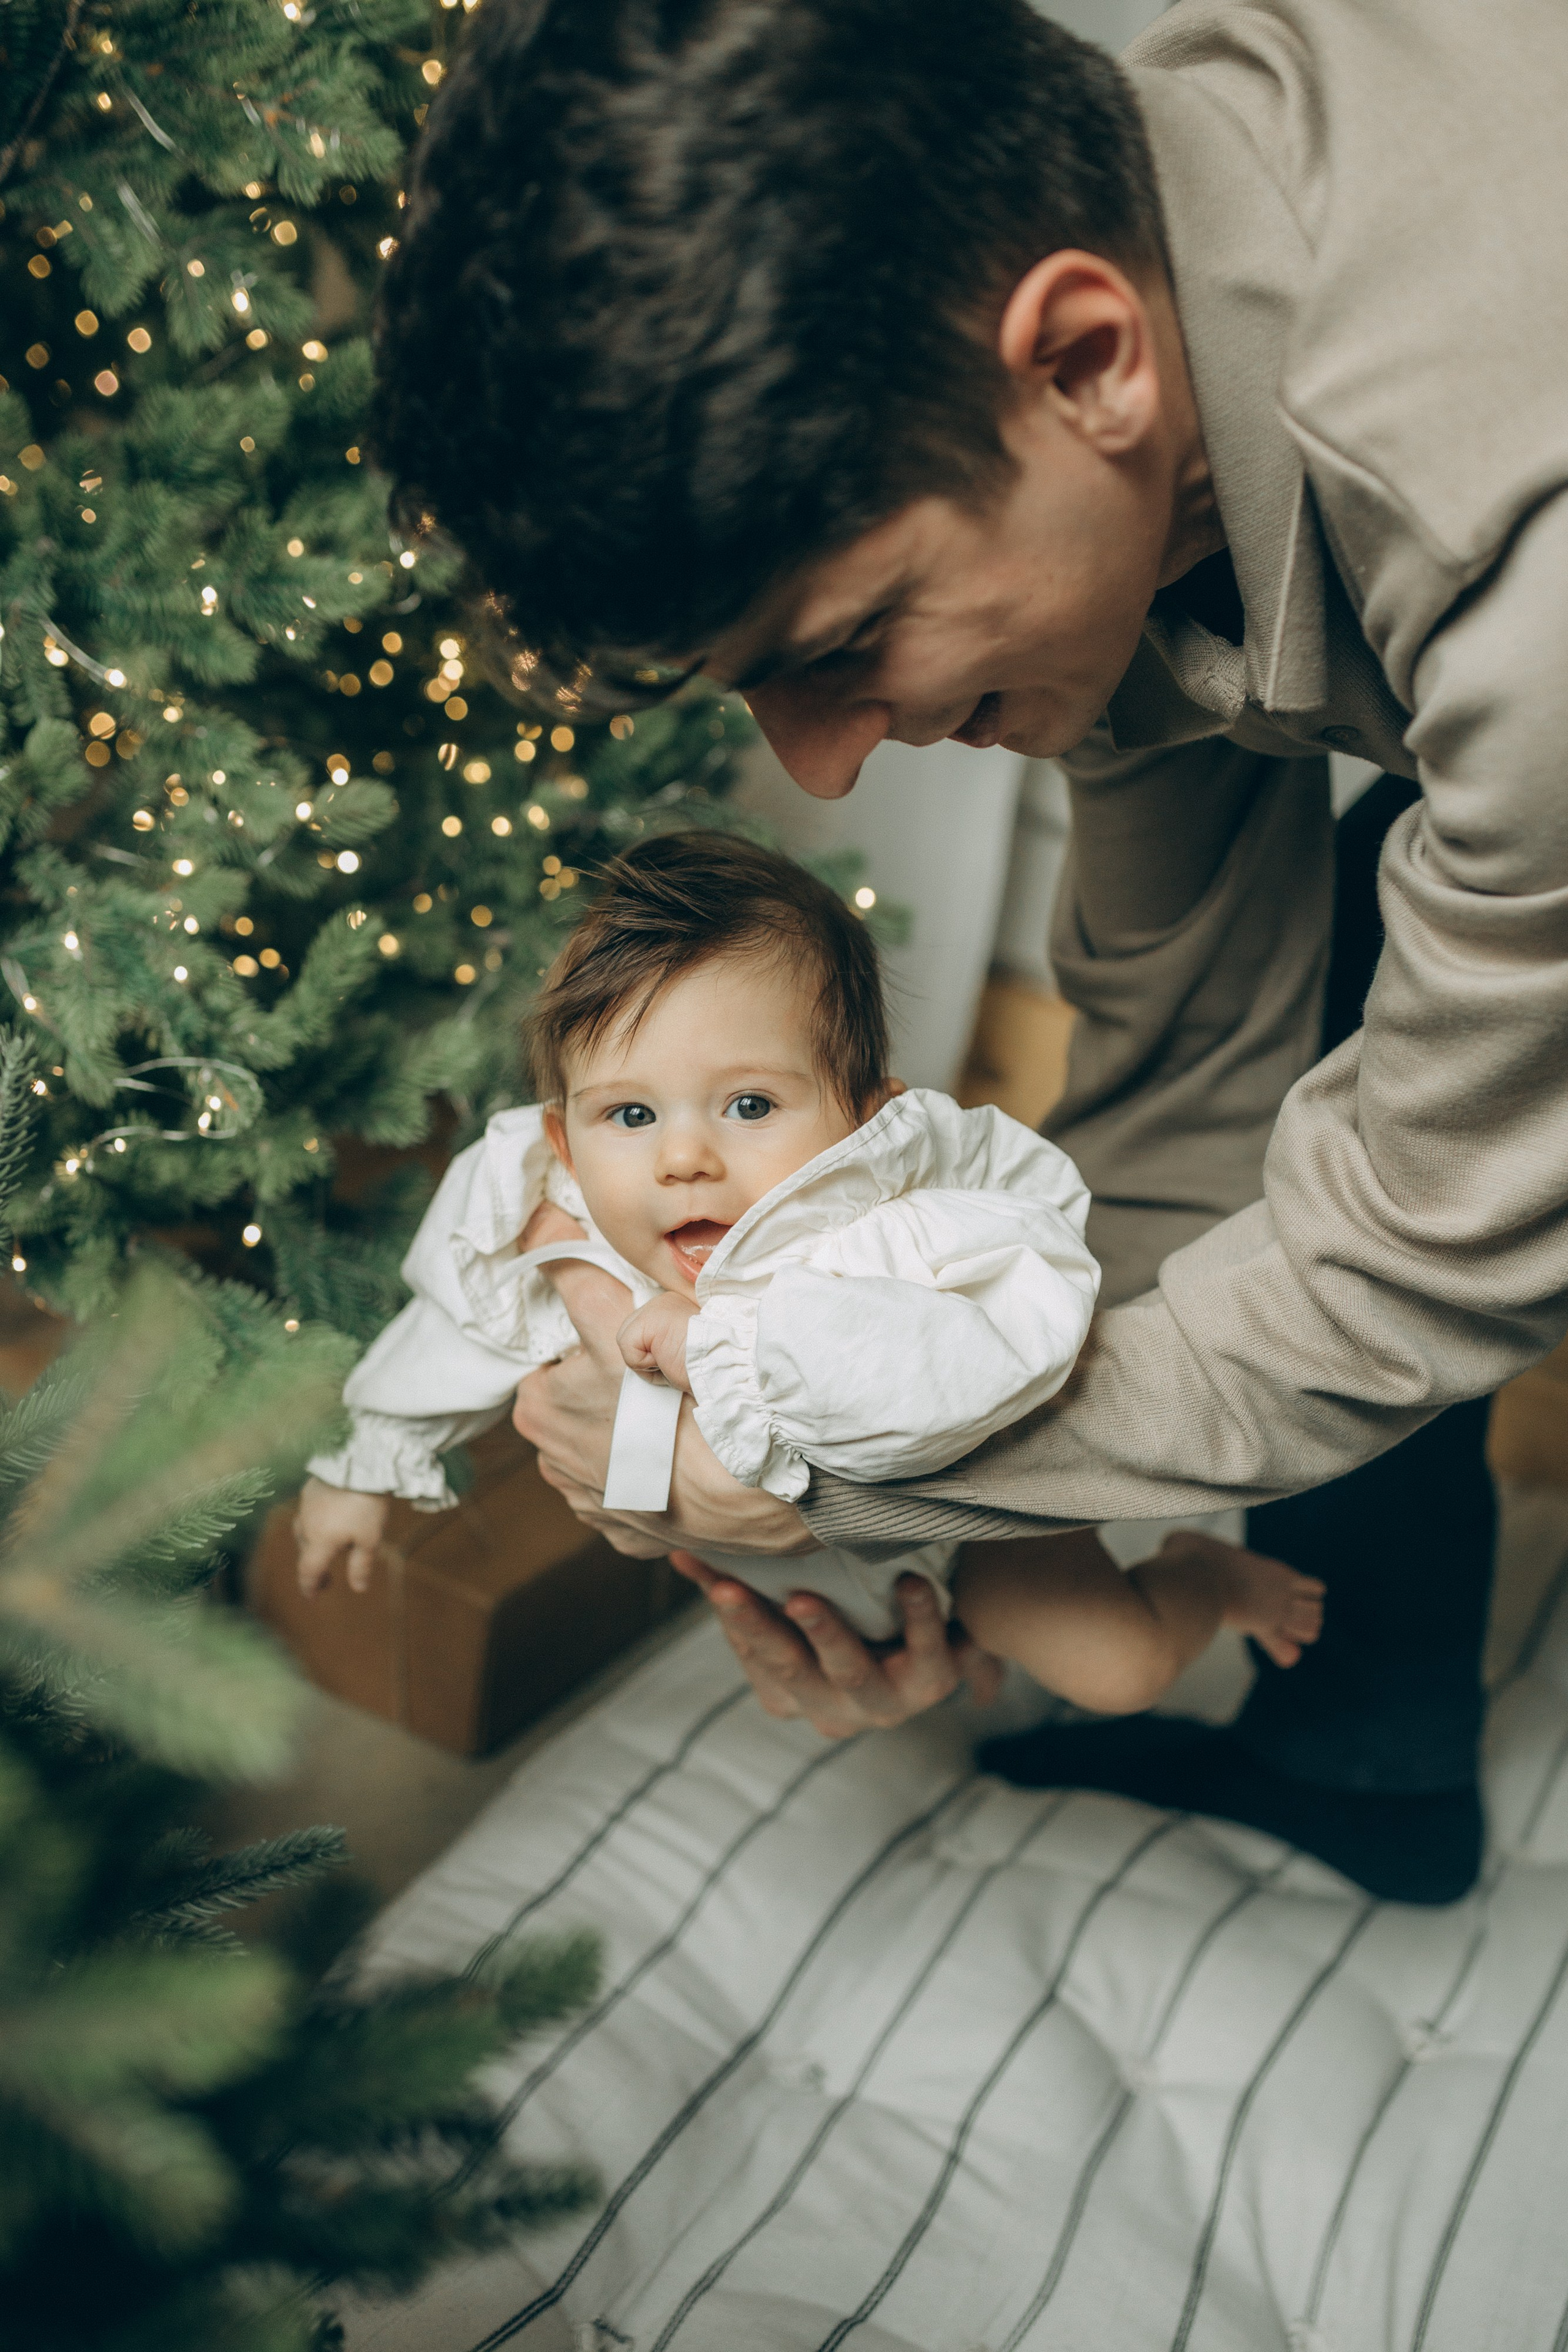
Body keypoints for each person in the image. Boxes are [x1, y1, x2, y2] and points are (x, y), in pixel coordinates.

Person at [373, 0, 1568, 1902]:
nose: (826, 762)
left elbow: (1425, 1246)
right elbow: (1193, 1066)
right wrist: (988, 1548)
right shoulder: (1120, 306)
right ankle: (1377, 1752)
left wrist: (836, 1461)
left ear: (1081, 358)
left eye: (842, 645)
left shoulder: (1522, 542)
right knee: (1375, 1000)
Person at [295, 834, 1324, 1715]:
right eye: (631, 1115)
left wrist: (730, 1347)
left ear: (863, 1122)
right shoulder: (561, 1231)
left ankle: (1201, 1575)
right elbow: (452, 1333)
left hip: (960, 1516)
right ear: (564, 1144)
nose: (682, 1158)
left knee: (1121, 1670)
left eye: (748, 1106)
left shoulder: (888, 1233)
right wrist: (362, 1464)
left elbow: (980, 1356)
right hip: (767, 1561)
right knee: (823, 1642)